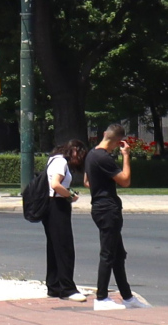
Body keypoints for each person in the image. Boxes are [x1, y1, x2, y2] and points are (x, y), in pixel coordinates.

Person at [84, 123, 149, 310]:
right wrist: (126, 156)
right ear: (118, 141)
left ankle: (128, 297)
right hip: (107, 209)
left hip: (99, 206)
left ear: (104, 134)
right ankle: (101, 298)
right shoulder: (104, 158)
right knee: (108, 254)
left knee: (117, 254)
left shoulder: (91, 154)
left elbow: (88, 181)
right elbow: (125, 180)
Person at [41, 139, 87, 301]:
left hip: (50, 205)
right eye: (79, 153)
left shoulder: (54, 159)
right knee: (65, 248)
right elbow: (55, 184)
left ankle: (54, 286)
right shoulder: (60, 162)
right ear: (73, 150)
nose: (79, 158)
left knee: (54, 247)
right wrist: (70, 195)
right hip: (57, 205)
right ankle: (67, 288)